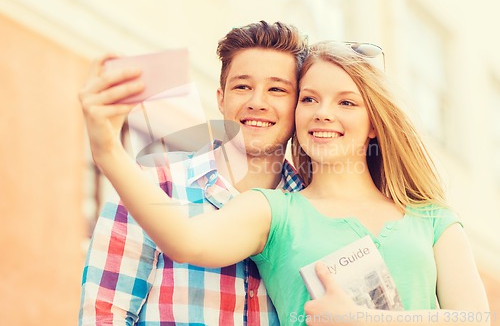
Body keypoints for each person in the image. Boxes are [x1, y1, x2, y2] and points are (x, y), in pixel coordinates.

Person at [82, 40, 490, 326]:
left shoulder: (431, 218)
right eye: (310, 99)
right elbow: (187, 240)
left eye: (346, 102)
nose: (322, 113)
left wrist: (364, 321)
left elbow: (476, 320)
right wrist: (109, 152)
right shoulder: (274, 209)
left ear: (374, 125)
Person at [78, 21, 309, 325]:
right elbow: (105, 316)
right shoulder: (151, 186)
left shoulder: (312, 206)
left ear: (299, 104)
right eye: (242, 86)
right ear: (221, 98)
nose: (257, 102)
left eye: (277, 89)